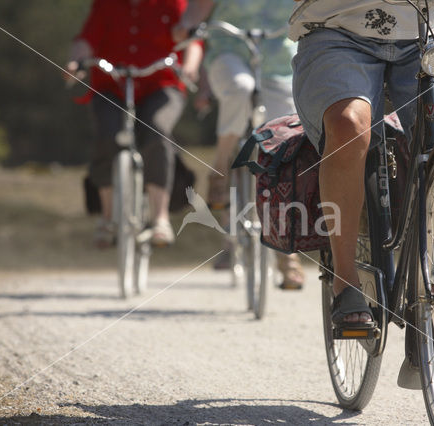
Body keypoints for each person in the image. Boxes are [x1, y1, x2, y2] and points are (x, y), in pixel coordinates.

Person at [289, 1, 434, 326]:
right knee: (348, 125)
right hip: (337, 28)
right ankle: (346, 281)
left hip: (431, 28)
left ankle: (430, 257)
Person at [173, 0, 306, 289]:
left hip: (281, 63)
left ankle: (288, 255)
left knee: (289, 143)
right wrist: (187, 27)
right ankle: (220, 166)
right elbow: (197, 10)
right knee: (240, 88)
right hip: (229, 53)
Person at [66, 0, 202, 247]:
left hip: (161, 84)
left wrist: (190, 67)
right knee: (108, 134)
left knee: (157, 127)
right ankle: (107, 218)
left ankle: (160, 218)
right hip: (111, 84)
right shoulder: (106, 4)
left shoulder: (172, 2)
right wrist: (76, 62)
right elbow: (86, 39)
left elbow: (191, 38)